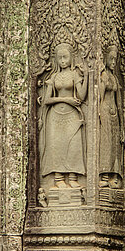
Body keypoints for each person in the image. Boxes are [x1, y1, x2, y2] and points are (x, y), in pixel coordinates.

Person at [39, 43, 88, 188]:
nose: (62, 61)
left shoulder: (74, 75)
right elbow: (47, 100)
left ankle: (73, 177)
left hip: (72, 115)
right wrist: (65, 99)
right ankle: (58, 179)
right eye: (59, 58)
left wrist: (87, 77)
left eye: (65, 57)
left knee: (74, 145)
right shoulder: (54, 77)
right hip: (55, 116)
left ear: (71, 58)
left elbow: (82, 95)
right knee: (56, 146)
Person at [99, 45, 124, 188]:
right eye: (111, 59)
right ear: (106, 59)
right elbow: (100, 97)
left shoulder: (114, 77)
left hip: (114, 112)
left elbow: (118, 101)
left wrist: (121, 120)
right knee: (106, 142)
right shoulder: (104, 75)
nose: (114, 62)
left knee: (115, 143)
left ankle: (114, 174)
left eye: (115, 59)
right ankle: (104, 174)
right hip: (105, 111)